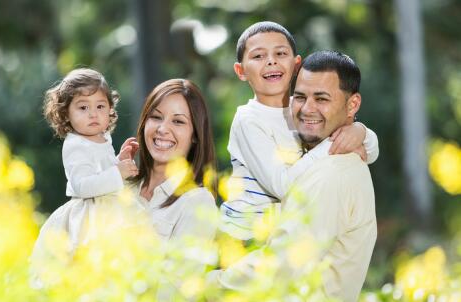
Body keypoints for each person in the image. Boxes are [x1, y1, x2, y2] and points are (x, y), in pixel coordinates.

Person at [209, 50, 377, 302]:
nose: (307, 109)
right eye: (299, 97)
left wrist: (206, 285)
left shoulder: (331, 173)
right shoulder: (320, 159)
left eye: (321, 99)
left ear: (352, 104)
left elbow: (282, 265)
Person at [219, 21, 379, 241]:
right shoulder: (248, 120)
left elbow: (370, 153)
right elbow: (282, 185)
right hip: (244, 234)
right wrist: (332, 144)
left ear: (296, 66)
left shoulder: (304, 109)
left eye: (280, 53)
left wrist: (361, 132)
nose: (271, 61)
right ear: (241, 71)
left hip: (279, 231)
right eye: (258, 56)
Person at [30, 68, 139, 286]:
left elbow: (100, 172)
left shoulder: (102, 137)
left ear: (110, 109)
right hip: (88, 213)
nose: (93, 113)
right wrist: (117, 173)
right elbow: (82, 185)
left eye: (100, 106)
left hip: (109, 205)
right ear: (66, 113)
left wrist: (119, 160)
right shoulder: (75, 145)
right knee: (89, 260)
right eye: (83, 107)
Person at [124, 78, 218, 243]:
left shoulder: (198, 202)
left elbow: (184, 269)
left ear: (195, 135)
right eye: (156, 117)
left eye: (178, 121)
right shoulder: (120, 186)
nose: (162, 129)